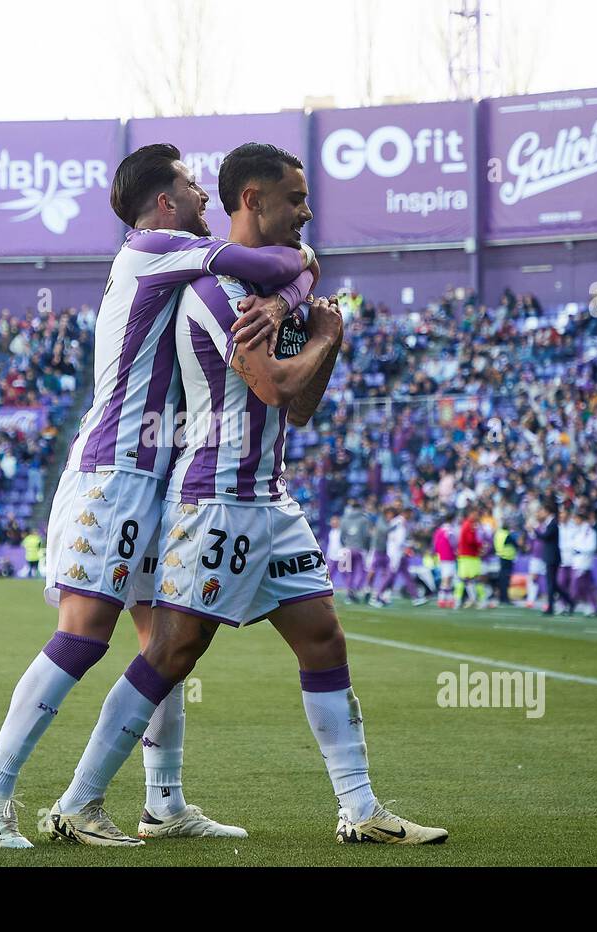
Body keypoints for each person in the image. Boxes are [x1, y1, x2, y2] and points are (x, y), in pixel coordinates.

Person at [43, 143, 447, 848]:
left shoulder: (277, 280)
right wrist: (325, 336)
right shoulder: (213, 292)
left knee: (322, 638)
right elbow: (276, 386)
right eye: (295, 199)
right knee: (172, 652)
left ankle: (360, 810)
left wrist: (319, 332)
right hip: (216, 498)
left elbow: (301, 410)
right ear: (253, 200)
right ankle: (78, 801)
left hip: (272, 497)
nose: (307, 211)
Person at [0, 143, 317, 848]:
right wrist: (294, 287)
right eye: (190, 185)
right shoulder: (154, 247)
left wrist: (291, 291)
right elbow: (287, 263)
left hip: (159, 477)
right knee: (84, 636)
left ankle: (164, 802)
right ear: (161, 202)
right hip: (115, 471)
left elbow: (296, 266)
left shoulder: (182, 253)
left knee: (161, 646)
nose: (203, 196)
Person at [537, 500, 574, 616]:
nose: (540, 513)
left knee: (551, 584)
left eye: (542, 511)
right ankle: (568, 601)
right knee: (553, 584)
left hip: (552, 557)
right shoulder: (551, 523)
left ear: (547, 511)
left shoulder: (553, 523)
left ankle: (552, 607)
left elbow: (546, 537)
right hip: (551, 556)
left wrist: (535, 531)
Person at [570, 511, 597, 617]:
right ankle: (592, 607)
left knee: (578, 586)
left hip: (584, 562)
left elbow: (591, 547)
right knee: (586, 586)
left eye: (576, 519)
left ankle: (587, 605)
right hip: (577, 561)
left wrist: (579, 550)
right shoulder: (577, 530)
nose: (574, 521)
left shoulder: (589, 531)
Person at [493, 512, 518, 606]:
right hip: (507, 558)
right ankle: (505, 598)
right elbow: (516, 545)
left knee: (502, 580)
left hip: (501, 557)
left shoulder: (498, 533)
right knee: (505, 581)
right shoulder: (507, 535)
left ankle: (502, 598)